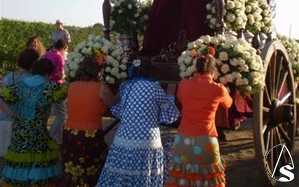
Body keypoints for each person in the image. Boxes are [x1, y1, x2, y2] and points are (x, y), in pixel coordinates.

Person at [97, 57, 180, 187]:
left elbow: (117, 108)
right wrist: (170, 93)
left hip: (123, 138)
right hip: (148, 140)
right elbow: (170, 114)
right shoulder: (154, 87)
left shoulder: (125, 86)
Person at [165, 49, 233, 187]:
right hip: (206, 141)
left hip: (183, 140)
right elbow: (228, 104)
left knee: (182, 180)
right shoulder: (218, 89)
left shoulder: (184, 84)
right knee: (209, 181)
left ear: (195, 68)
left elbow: (180, 98)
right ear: (213, 71)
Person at [0, 57, 67, 187]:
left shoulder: (19, 85)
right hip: (38, 132)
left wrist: (12, 114)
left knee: (20, 163)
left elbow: (2, 97)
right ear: (48, 73)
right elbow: (64, 93)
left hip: (20, 130)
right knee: (38, 163)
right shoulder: (49, 86)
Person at [58, 56, 115, 187]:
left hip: (70, 132)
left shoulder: (71, 86)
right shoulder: (101, 88)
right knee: (90, 169)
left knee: (72, 168)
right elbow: (111, 102)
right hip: (90, 134)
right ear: (97, 71)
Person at [0, 48, 42, 157]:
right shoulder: (33, 80)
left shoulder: (8, 77)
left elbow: (2, 100)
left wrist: (11, 114)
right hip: (25, 124)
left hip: (5, 121)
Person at [44, 39, 68, 144]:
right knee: (61, 114)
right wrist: (66, 76)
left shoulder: (47, 54)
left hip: (45, 84)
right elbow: (60, 75)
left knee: (47, 112)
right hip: (56, 86)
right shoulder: (59, 57)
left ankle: (51, 137)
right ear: (63, 48)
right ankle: (52, 137)